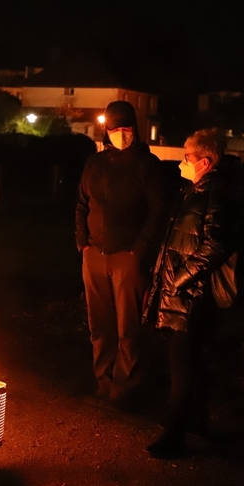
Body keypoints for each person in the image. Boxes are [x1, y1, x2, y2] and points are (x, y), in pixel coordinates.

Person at [142, 127, 239, 458]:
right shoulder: (195, 191)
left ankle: (174, 435)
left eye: (188, 157)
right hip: (186, 292)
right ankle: (198, 423)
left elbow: (215, 245)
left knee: (181, 361)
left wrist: (179, 280)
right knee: (192, 359)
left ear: (206, 162)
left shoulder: (217, 195)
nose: (183, 163)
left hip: (196, 296)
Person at [76, 100, 165, 409]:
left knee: (128, 327)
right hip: (94, 255)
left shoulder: (148, 165)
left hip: (127, 258)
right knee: (99, 325)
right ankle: (103, 381)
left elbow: (158, 213)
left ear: (134, 128)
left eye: (126, 127)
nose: (121, 133)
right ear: (107, 130)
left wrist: (138, 251)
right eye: (115, 128)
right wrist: (83, 243)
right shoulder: (95, 163)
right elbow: (82, 205)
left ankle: (124, 388)